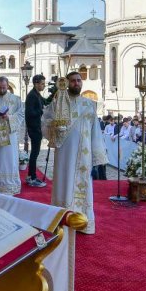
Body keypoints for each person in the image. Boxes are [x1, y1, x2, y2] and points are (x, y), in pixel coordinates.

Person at [43, 72, 107, 234]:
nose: (76, 83)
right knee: (63, 182)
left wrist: (97, 154)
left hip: (83, 155)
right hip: (64, 152)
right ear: (67, 83)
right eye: (73, 81)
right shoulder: (58, 103)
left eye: (79, 80)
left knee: (82, 185)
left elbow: (96, 132)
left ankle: (82, 221)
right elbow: (45, 122)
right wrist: (55, 128)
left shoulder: (90, 105)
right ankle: (62, 219)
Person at [24, 75, 47, 187]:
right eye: (42, 83)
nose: (43, 85)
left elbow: (46, 101)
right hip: (34, 128)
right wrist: (42, 111)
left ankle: (31, 175)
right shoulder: (32, 96)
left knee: (35, 153)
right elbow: (29, 113)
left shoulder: (37, 94)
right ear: (36, 83)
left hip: (37, 127)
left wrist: (55, 92)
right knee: (34, 153)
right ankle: (32, 177)